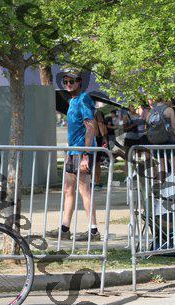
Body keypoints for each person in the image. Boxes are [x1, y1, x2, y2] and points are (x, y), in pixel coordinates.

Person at [46, 68, 99, 241]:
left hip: (82, 151)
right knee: (68, 189)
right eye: (66, 81)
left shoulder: (84, 99)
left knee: (84, 190)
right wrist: (70, 151)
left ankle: (93, 231)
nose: (68, 84)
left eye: (72, 81)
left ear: (79, 82)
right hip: (73, 151)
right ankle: (65, 229)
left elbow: (90, 127)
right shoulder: (72, 100)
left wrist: (86, 155)